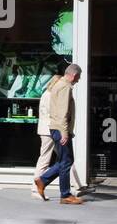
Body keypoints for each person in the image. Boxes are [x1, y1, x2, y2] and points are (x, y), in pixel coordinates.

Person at [34, 64, 85, 205]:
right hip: (59, 129)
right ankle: (65, 195)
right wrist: (64, 132)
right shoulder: (65, 86)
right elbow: (62, 111)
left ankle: (43, 180)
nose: (79, 80)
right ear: (74, 75)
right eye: (79, 77)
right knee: (66, 162)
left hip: (57, 128)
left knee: (66, 160)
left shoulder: (60, 84)